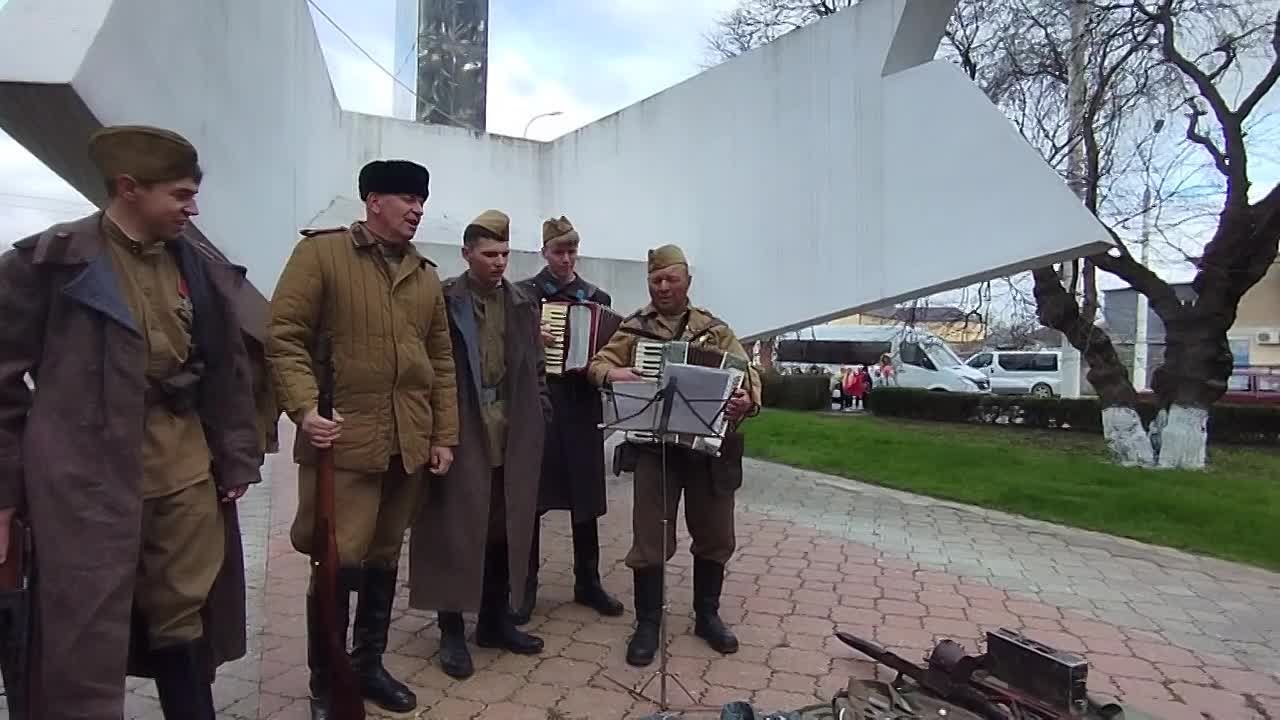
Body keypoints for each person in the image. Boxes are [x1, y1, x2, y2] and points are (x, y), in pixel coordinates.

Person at [0, 125, 265, 719]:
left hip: (184, 471)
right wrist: (6, 496)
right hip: (84, 482)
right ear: (128, 189)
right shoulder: (47, 263)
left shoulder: (197, 267)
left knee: (185, 613)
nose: (192, 208)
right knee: (83, 630)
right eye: (179, 195)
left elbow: (228, 369)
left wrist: (236, 455)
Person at [266, 159, 459, 719]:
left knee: (383, 556)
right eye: (406, 199)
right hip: (343, 441)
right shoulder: (321, 255)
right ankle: (327, 680)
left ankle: (368, 665)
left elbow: (440, 360)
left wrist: (443, 434)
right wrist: (302, 408)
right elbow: (284, 336)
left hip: (408, 442)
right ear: (374, 201)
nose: (418, 210)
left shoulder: (424, 274)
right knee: (336, 559)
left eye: (421, 201)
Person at [587, 244, 761, 667]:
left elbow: (749, 376)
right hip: (654, 451)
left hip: (708, 455)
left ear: (687, 281)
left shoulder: (715, 331)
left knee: (716, 536)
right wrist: (614, 373)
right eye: (655, 280)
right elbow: (596, 365)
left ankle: (707, 615)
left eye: (671, 279)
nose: (663, 287)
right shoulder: (633, 328)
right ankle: (647, 623)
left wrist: (745, 400)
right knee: (649, 539)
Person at [409, 209, 551, 679]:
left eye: (505, 254)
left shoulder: (523, 301)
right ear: (467, 253)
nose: (499, 262)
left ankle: (493, 622)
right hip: (462, 427)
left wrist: (541, 416)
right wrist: (434, 432)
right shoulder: (444, 298)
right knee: (453, 530)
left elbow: (535, 369)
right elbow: (427, 367)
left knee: (502, 531)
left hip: (512, 430)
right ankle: (450, 633)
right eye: (489, 254)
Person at [511, 215, 624, 625]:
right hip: (538, 404)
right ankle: (524, 586)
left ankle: (588, 581)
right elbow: (506, 351)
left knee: (586, 495)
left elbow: (608, 350)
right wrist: (530, 337)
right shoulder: (523, 295)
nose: (566, 258)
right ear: (544, 252)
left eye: (572, 251)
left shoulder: (597, 297)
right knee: (533, 497)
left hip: (580, 403)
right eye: (559, 251)